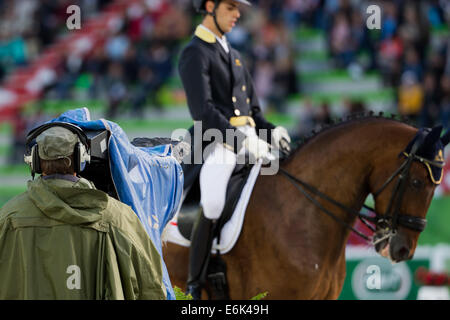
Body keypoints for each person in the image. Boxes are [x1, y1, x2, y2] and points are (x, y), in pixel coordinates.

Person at [178, 0, 291, 299]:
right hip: (214, 140)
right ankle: (195, 281)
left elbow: (254, 110)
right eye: (231, 7)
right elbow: (203, 112)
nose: (238, 14)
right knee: (214, 201)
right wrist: (240, 140)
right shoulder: (195, 52)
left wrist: (271, 130)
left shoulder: (236, 55)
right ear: (210, 6)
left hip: (250, 139)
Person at [0, 124, 167, 300]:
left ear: (35, 161)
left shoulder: (8, 217)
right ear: (81, 159)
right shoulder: (119, 217)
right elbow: (150, 287)